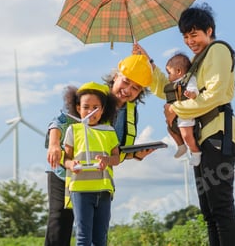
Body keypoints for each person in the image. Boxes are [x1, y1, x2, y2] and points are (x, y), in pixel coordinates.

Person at [134, 3, 235, 246]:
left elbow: (213, 95)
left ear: (209, 30)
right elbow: (171, 90)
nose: (189, 41)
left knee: (221, 209)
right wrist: (148, 63)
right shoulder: (196, 61)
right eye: (185, 36)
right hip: (203, 141)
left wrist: (176, 109)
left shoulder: (217, 51)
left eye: (194, 34)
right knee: (210, 212)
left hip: (219, 136)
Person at [44, 54, 155, 246]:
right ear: (116, 76)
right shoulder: (92, 96)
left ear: (140, 93)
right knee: (60, 227)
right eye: (126, 81)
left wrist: (135, 155)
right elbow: (59, 121)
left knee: (94, 235)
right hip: (66, 173)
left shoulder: (130, 113)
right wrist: (54, 145)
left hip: (95, 182)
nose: (128, 90)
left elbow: (114, 150)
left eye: (135, 88)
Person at [63, 81, 120, 246]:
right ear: (78, 108)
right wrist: (71, 164)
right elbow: (65, 158)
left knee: (100, 238)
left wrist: (107, 160)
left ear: (102, 110)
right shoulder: (73, 130)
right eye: (86, 107)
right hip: (80, 189)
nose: (90, 112)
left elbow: (116, 158)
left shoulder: (109, 132)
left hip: (103, 189)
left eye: (96, 108)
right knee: (83, 237)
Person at [164, 53, 201, 166]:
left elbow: (195, 91)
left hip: (186, 114)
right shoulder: (174, 84)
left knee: (186, 135)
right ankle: (181, 146)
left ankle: (195, 152)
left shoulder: (189, 80)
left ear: (179, 71)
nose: (168, 77)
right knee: (170, 129)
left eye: (169, 73)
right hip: (175, 115)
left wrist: (191, 94)